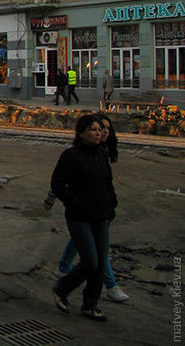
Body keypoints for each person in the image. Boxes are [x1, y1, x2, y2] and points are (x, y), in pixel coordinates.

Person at [44, 113, 129, 302]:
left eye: (102, 130)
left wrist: (111, 204)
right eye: (95, 129)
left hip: (101, 215)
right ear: (81, 132)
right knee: (91, 261)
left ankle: (90, 304)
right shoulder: (71, 155)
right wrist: (72, 202)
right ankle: (62, 287)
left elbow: (108, 182)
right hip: (79, 215)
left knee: (98, 261)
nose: (100, 133)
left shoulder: (101, 154)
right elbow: (57, 183)